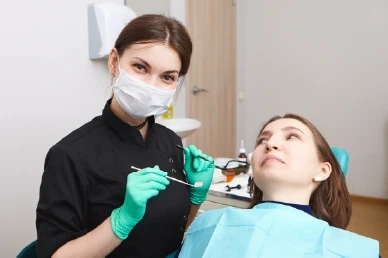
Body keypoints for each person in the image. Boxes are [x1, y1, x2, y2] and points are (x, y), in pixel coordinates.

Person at [36, 14, 215, 258]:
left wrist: (195, 196)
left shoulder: (170, 141)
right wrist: (122, 219)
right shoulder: (70, 155)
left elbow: (174, 229)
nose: (151, 85)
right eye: (140, 67)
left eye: (167, 77)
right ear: (114, 61)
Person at [175, 114, 380, 258]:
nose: (270, 143)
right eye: (262, 140)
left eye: (292, 136)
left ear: (322, 170)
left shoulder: (354, 250)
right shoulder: (209, 224)